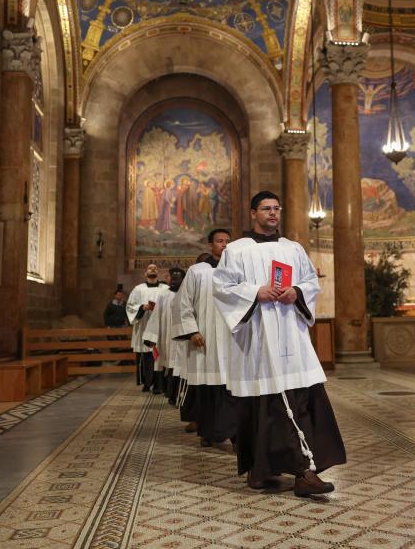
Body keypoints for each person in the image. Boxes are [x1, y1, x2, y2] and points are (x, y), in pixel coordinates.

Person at [212, 191, 346, 495]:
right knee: (264, 403)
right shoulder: (237, 250)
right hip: (259, 338)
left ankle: (302, 472)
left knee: (299, 397)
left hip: (292, 337)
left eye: (276, 208)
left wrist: (296, 291)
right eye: (266, 209)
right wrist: (254, 292)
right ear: (253, 213)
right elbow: (221, 288)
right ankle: (264, 470)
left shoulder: (293, 249)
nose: (272, 213)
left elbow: (312, 282)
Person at [172, 229, 238, 447]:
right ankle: (208, 431)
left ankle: (237, 433)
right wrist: (192, 331)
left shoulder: (239, 269)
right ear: (211, 245)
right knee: (208, 388)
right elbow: (182, 303)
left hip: (233, 339)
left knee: (233, 388)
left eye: (228, 241)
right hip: (206, 339)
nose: (225, 245)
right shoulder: (197, 271)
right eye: (220, 241)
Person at [143, 267, 186, 398]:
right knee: (170, 365)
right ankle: (171, 393)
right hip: (168, 337)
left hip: (185, 337)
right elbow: (156, 316)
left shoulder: (187, 294)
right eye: (173, 277)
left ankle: (180, 394)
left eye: (178, 278)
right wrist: (151, 337)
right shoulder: (164, 295)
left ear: (184, 279)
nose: (174, 281)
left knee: (182, 366)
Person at [126, 264, 169, 390]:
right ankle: (147, 383)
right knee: (147, 357)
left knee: (160, 355)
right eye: (150, 268)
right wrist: (142, 308)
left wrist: (158, 308)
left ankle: (160, 384)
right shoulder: (138, 289)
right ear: (145, 273)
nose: (153, 269)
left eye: (155, 268)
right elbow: (130, 306)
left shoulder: (165, 288)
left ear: (158, 273)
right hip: (144, 325)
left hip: (160, 328)